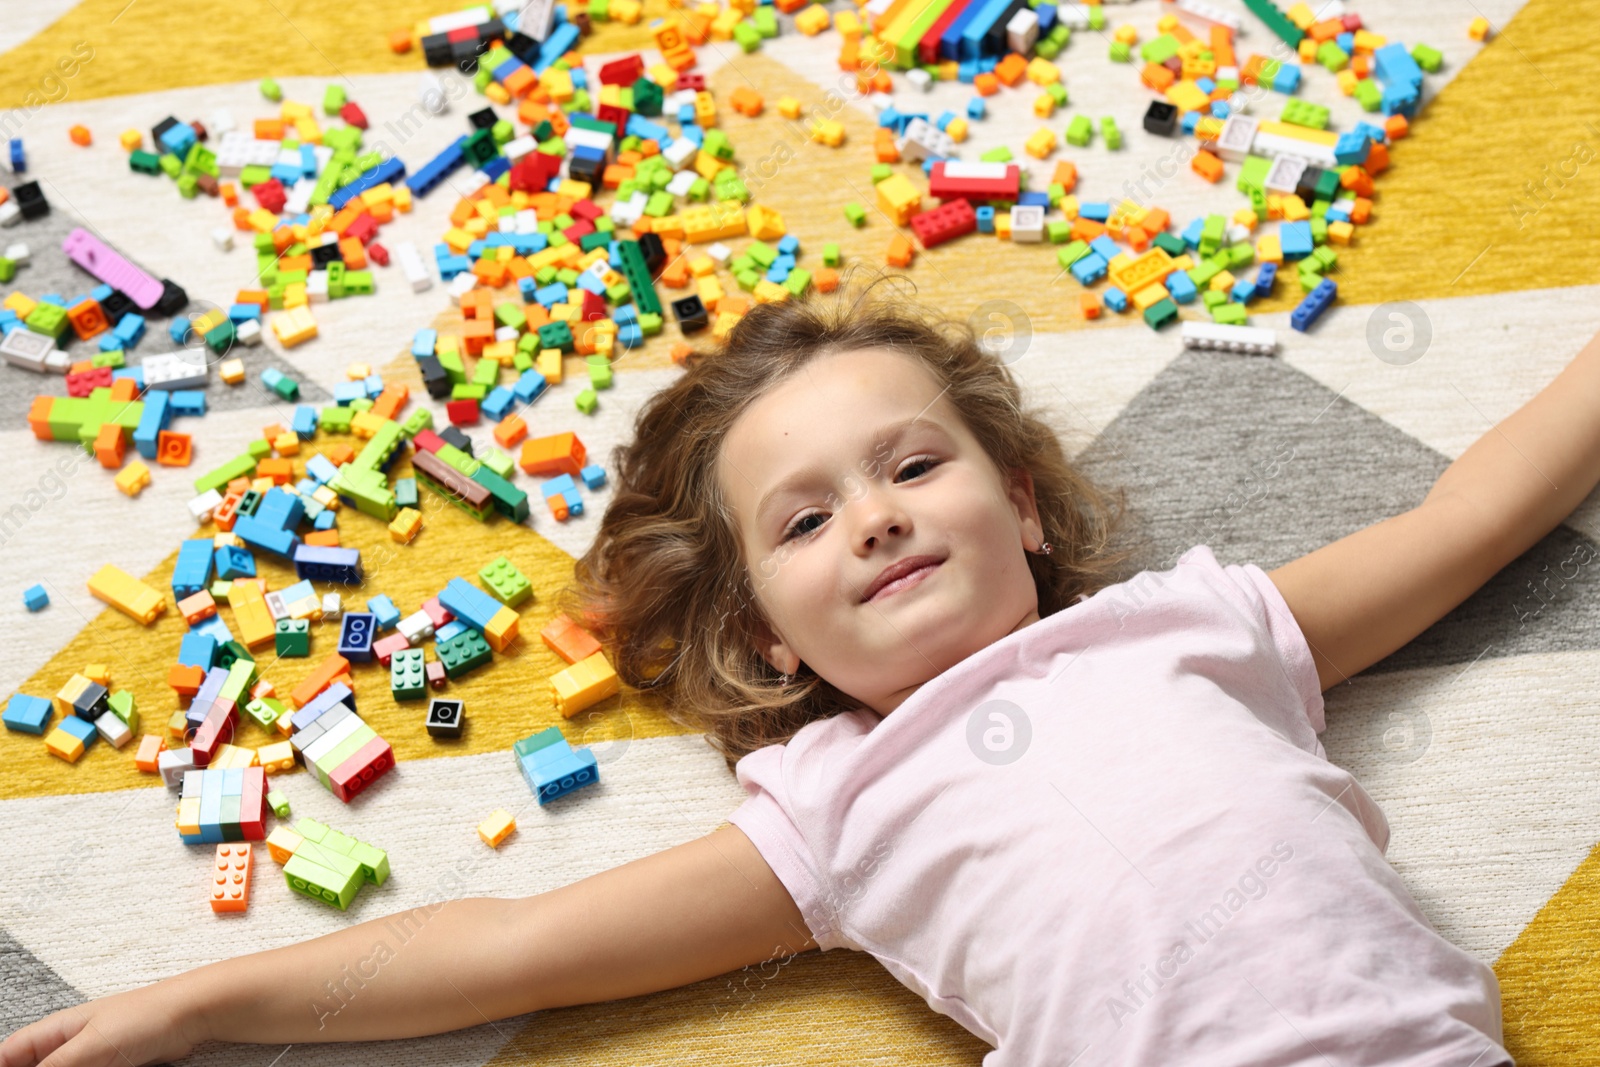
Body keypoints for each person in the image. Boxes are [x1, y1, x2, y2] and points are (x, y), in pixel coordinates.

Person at [8, 270, 1558, 1066]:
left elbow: (1471, 516)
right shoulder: (836, 801)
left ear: (1018, 500)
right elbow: (517, 946)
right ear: (764, 633)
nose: (876, 517)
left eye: (913, 466)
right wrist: (196, 1005)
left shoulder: (1191, 623)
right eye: (808, 519)